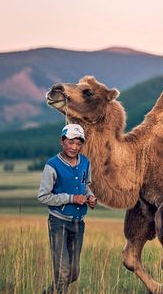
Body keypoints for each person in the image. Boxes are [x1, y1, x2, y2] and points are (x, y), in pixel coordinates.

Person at [37, 123, 97, 293]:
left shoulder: (85, 162)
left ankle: (49, 292)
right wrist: (71, 198)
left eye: (78, 143)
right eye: (70, 142)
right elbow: (43, 196)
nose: (74, 147)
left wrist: (90, 197)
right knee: (63, 273)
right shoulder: (52, 165)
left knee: (74, 273)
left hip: (78, 224)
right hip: (58, 224)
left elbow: (85, 185)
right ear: (62, 141)